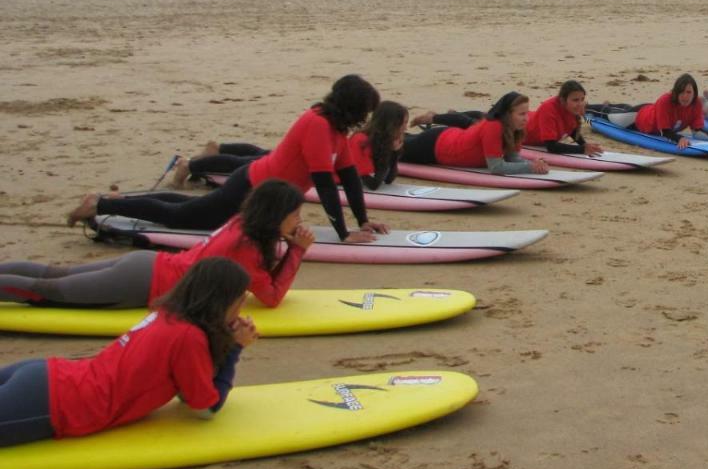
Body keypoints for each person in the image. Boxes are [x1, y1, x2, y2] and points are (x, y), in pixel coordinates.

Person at [68, 75, 386, 242]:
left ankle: (116, 199)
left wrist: (362, 221)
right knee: (185, 218)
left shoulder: (336, 130)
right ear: (351, 107)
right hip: (250, 190)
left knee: (186, 208)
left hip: (266, 194)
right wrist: (344, 235)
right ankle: (101, 205)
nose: (366, 117)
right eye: (365, 110)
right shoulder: (318, 125)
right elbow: (325, 187)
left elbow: (347, 179)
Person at [0, 257, 258, 447]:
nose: (241, 306)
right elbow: (205, 408)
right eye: (239, 300)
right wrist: (234, 349)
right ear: (221, 301)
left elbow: (186, 389)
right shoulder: (189, 338)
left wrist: (223, 338)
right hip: (54, 402)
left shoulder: (167, 314)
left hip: (45, 375)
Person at [2, 180, 312, 308]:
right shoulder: (247, 248)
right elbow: (270, 297)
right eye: (294, 213)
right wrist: (297, 250)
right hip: (143, 283)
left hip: (146, 266)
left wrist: (288, 242)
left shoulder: (242, 224)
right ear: (275, 215)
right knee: (47, 293)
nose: (298, 220)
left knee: (54, 275)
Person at [175, 101, 412, 192]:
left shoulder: (381, 143)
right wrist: (391, 154)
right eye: (403, 123)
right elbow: (372, 183)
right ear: (389, 123)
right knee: (249, 162)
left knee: (259, 153)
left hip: (308, 163)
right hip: (307, 168)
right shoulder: (361, 141)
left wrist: (393, 154)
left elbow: (388, 179)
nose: (405, 127)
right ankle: (191, 164)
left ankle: (219, 148)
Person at [402, 91, 549, 175]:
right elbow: (496, 167)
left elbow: (512, 157)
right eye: (522, 114)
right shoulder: (494, 126)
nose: (527, 118)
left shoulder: (517, 128)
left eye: (526, 113)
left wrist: (535, 164)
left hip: (448, 137)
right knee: (392, 147)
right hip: (435, 146)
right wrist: (529, 168)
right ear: (507, 114)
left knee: (401, 140)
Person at [635, 74, 708, 150]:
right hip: (639, 118)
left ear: (694, 93)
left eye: (688, 92)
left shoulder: (696, 104)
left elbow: (697, 129)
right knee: (621, 117)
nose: (685, 96)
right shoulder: (665, 101)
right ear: (676, 93)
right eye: (681, 92)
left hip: (652, 110)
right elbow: (664, 132)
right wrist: (679, 138)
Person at [524, 81, 603, 156]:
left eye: (582, 99)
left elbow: (572, 128)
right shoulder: (548, 109)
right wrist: (581, 149)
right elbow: (551, 147)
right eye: (575, 100)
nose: (580, 104)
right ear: (562, 100)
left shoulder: (571, 108)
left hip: (532, 118)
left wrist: (583, 144)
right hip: (518, 131)